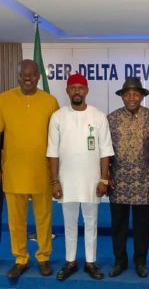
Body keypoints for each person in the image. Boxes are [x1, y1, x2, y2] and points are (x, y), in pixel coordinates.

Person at [46, 72, 114, 281]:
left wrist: (104, 179)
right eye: (73, 87)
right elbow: (52, 152)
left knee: (91, 222)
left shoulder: (98, 116)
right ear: (67, 91)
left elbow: (105, 150)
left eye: (80, 87)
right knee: (69, 223)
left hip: (92, 181)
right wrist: (55, 181)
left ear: (87, 90)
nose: (77, 91)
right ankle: (70, 261)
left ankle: (90, 262)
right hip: (66, 182)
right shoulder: (58, 117)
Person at [0, 59, 59, 279]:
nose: (28, 78)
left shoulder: (50, 102)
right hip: (13, 172)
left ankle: (43, 257)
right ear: (17, 76)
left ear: (39, 76)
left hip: (41, 172)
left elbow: (56, 139)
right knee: (16, 220)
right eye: (24, 74)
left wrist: (56, 174)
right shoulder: (3, 100)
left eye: (32, 74)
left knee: (44, 217)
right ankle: (20, 258)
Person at [107, 77, 149, 278]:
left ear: (141, 96)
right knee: (118, 225)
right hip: (118, 180)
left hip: (143, 180)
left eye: (135, 94)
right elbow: (105, 150)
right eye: (127, 94)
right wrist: (105, 176)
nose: (131, 97)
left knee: (141, 226)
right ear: (122, 97)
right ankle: (119, 261)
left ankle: (140, 262)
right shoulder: (111, 119)